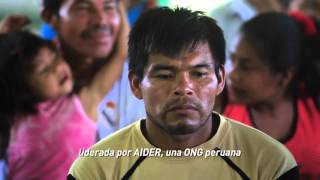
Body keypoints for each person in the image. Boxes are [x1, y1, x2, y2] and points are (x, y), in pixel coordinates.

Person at [68, 7, 299, 180]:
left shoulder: (270, 164)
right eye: (165, 75)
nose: (184, 87)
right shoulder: (94, 170)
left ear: (220, 80)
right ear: (136, 84)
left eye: (199, 74)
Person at [0, 4, 127, 178]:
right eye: (44, 70)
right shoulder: (78, 108)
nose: (58, 68)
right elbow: (121, 53)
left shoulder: (77, 107)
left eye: (56, 58)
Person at [221, 12, 320, 179]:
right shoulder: (219, 109)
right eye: (232, 60)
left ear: (284, 77)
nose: (232, 75)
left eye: (246, 66)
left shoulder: (314, 108)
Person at [41, 0, 145, 139]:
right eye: (83, 8)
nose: (101, 21)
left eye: (109, 8)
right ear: (51, 18)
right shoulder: (26, 77)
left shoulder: (141, 82)